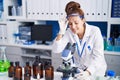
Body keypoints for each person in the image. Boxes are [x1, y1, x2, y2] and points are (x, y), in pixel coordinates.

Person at [52, 1, 107, 80]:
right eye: (70, 24)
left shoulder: (95, 31)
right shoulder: (69, 32)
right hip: (79, 71)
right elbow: (56, 49)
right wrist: (61, 32)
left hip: (95, 72)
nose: (73, 27)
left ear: (83, 20)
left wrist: (88, 72)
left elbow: (98, 57)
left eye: (76, 23)